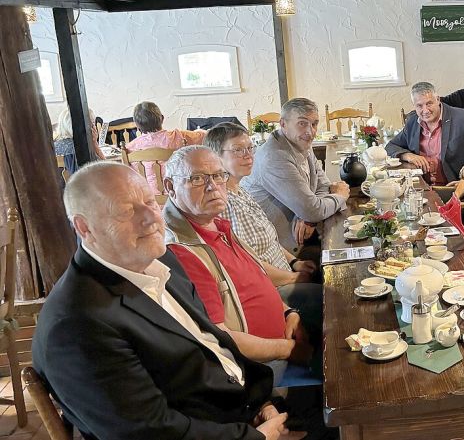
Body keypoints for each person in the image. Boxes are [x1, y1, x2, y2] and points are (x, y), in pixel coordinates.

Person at [33, 162, 287, 439]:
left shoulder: (159, 259)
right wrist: (256, 437)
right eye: (126, 210)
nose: (151, 218)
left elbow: (212, 343)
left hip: (242, 406)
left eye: (150, 201)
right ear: (85, 228)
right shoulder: (77, 325)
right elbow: (148, 431)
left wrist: (264, 400)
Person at [162, 146, 314, 385]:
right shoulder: (183, 251)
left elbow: (257, 279)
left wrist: (289, 312)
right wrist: (287, 349)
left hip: (282, 338)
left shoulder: (216, 224)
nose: (213, 187)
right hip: (258, 370)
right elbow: (220, 337)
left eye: (218, 176)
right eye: (198, 178)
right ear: (170, 187)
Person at [205, 122, 322, 336]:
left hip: (284, 272)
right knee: (335, 299)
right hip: (270, 290)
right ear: (216, 157)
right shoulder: (223, 204)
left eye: (250, 148)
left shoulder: (241, 190)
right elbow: (247, 267)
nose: (248, 155)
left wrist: (295, 262)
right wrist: (293, 278)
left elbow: (269, 239)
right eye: (238, 150)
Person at [242, 98, 350, 253]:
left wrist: (308, 216)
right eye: (302, 123)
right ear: (283, 124)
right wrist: (340, 195)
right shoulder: (275, 157)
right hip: (278, 250)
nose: (310, 131)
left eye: (314, 124)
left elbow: (322, 185)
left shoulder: (301, 142)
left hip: (301, 233)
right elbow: (313, 209)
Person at [387, 81, 464, 185]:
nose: (425, 110)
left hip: (454, 187)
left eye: (429, 103)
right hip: (422, 186)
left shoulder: (461, 117)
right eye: (419, 106)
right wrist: (408, 155)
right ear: (414, 106)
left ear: (438, 99)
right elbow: (391, 146)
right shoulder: (412, 122)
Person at [126, 101, 207, 193]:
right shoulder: (179, 136)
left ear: (136, 125)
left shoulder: (130, 148)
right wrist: (199, 130)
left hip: (149, 198)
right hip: (179, 194)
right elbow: (206, 136)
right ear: (162, 118)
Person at [52, 108, 104, 175]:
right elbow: (106, 172)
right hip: (82, 183)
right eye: (93, 123)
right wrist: (94, 144)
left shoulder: (54, 146)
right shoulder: (82, 147)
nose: (94, 127)